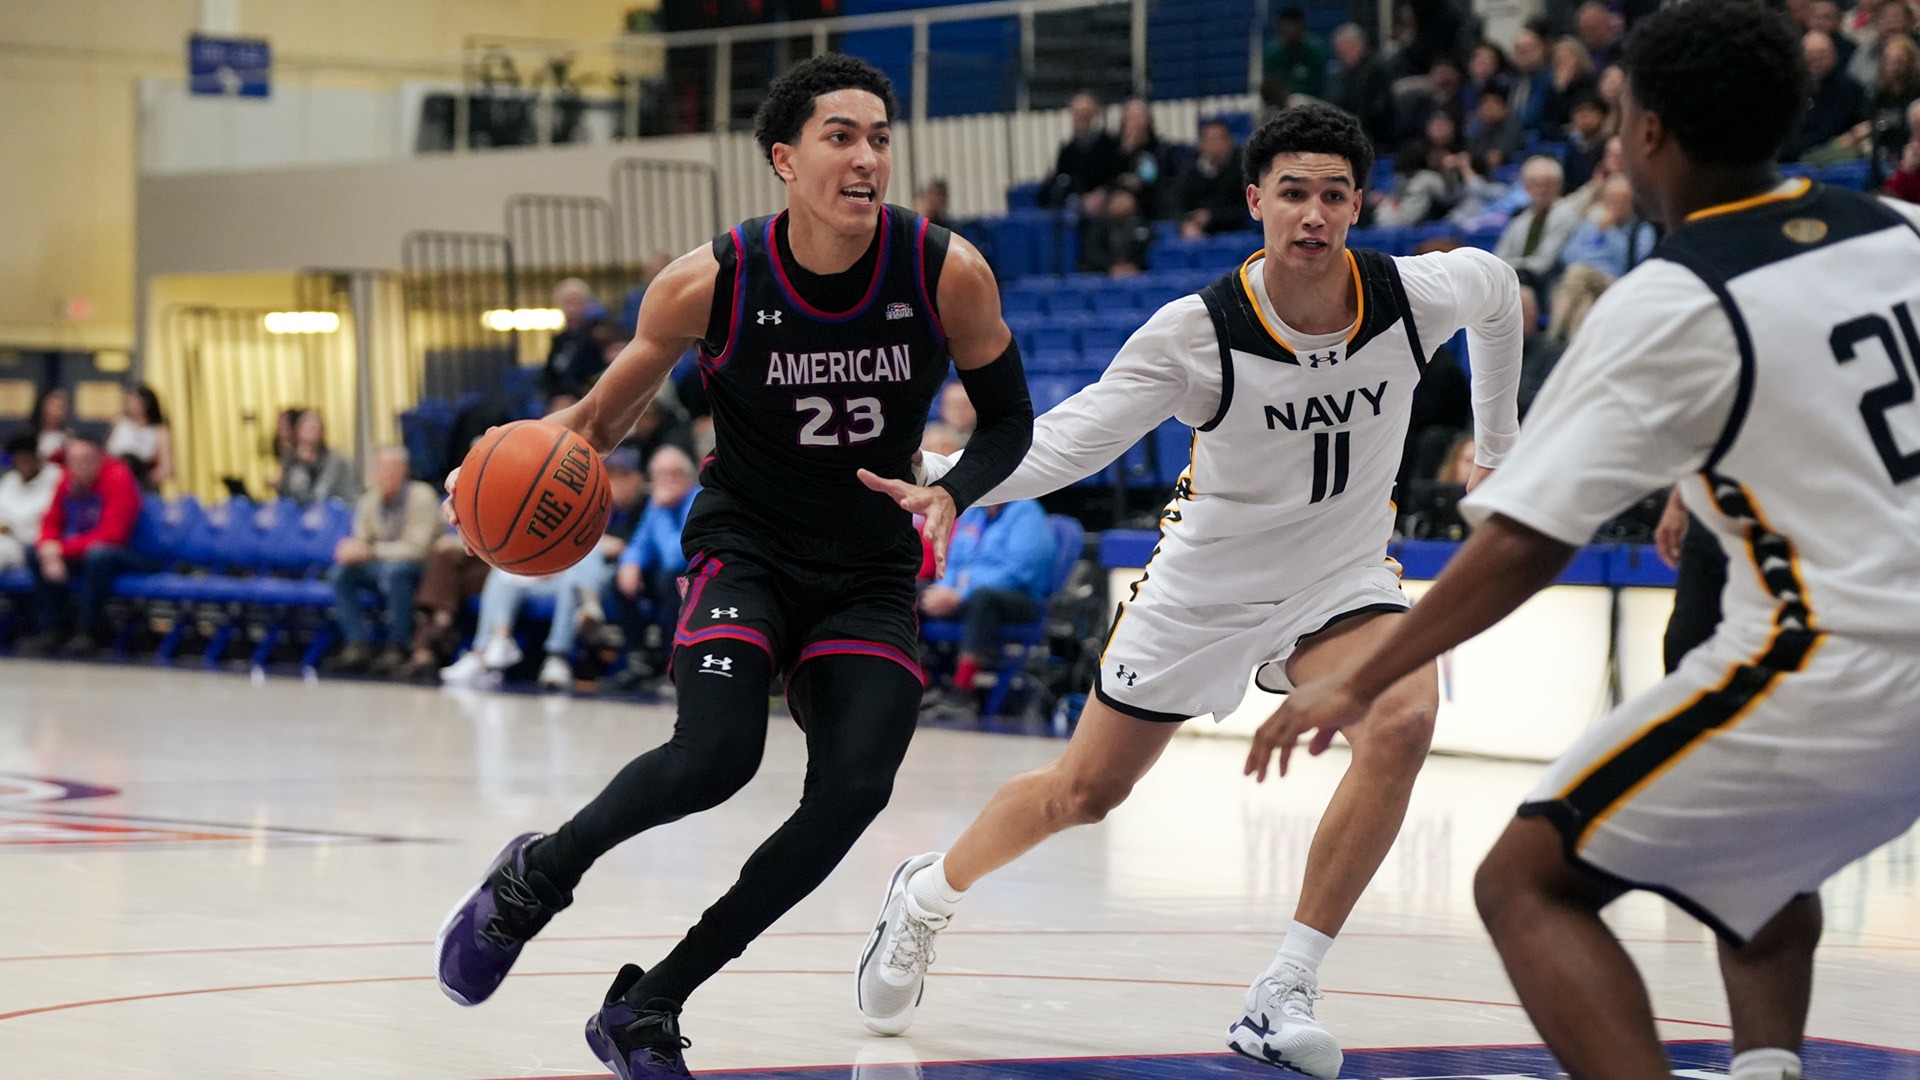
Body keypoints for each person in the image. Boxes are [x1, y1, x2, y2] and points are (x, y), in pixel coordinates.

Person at [1249, 6, 1920, 1079]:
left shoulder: (1668, 299)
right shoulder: (1898, 229)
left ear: (1647, 132)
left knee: (1523, 880)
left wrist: (1357, 679)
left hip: (1846, 665)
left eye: (1616, 116)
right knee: (1762, 840)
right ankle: (1766, 1065)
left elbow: (1525, 543)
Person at [854, 102, 1522, 1078]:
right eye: (1293, 193)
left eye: (1334, 195)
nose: (1313, 215)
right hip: (1202, 592)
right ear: (1255, 200)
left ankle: (1284, 989)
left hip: (1339, 580)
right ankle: (927, 894)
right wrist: (951, 475)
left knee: (1405, 717)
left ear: (1358, 203)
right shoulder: (1197, 332)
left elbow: (1500, 291)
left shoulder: (1414, 295)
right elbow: (1075, 440)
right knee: (1082, 794)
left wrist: (1496, 450)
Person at [432, 54, 1033, 1080]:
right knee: (715, 758)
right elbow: (593, 421)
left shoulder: (946, 270)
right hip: (748, 544)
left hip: (870, 565)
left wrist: (954, 488)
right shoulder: (713, 280)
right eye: (841, 136)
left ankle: (650, 1005)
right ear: (783, 160)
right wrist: (494, 471)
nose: (866, 157)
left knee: (853, 791)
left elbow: (1009, 417)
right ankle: (539, 877)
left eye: (880, 138)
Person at [440, 445, 649, 691]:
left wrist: (609, 547)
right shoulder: (593, 502)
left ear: (638, 479)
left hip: (609, 580)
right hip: (561, 576)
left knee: (581, 567)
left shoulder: (644, 507)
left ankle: (558, 656)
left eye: (624, 475)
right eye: (611, 475)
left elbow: (638, 547)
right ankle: (489, 646)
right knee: (504, 573)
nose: (616, 482)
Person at [916, 497, 1057, 715]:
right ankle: (920, 682)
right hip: (961, 595)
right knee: (910, 590)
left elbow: (1019, 571)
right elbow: (953, 560)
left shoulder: (1027, 513)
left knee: (983, 599)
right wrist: (943, 588)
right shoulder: (974, 512)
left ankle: (963, 692)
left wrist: (961, 594)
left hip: (1018, 598)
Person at [19, 438, 145, 656]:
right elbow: (50, 521)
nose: (79, 466)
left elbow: (112, 535)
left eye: (86, 460)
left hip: (133, 554)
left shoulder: (118, 478)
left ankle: (88, 632)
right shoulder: (67, 479)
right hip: (84, 551)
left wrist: (60, 550)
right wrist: (49, 549)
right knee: (34, 553)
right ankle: (54, 628)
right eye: (73, 461)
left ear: (99, 458)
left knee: (99, 557)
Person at [325, 446, 439, 675]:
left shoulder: (422, 496)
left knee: (396, 572)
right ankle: (357, 644)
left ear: (404, 470)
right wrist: (352, 548)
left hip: (423, 569)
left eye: (392, 468)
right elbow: (361, 540)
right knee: (340, 573)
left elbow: (417, 549)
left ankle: (397, 646)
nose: (386, 474)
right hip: (382, 564)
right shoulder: (369, 499)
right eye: (381, 468)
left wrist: (372, 551)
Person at [604, 445, 702, 692]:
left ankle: (676, 664)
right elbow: (639, 543)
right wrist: (630, 564)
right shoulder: (658, 503)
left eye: (673, 474)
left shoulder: (697, 500)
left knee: (669, 579)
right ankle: (638, 661)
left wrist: (662, 511)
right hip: (667, 580)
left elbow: (676, 556)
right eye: (660, 475)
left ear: (687, 476)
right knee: (620, 579)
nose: (666, 481)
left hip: (696, 580)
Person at [1494, 156, 1583, 289]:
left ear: (1559, 186)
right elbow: (1500, 256)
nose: (1542, 190)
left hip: (1550, 283)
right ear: (1526, 187)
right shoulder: (1520, 219)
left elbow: (1543, 263)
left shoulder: (1566, 215)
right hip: (1516, 278)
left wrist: (1511, 267)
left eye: (1547, 184)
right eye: (1536, 184)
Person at [1040, 91, 1125, 209]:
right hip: (1076, 201)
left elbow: (1115, 176)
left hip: (1105, 199)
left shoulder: (1108, 144)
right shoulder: (1067, 149)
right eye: (1079, 113)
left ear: (1094, 114)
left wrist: (1102, 193)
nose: (1082, 117)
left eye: (1086, 113)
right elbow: (1062, 176)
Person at [1175, 118, 1251, 237]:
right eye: (1209, 140)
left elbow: (1242, 210)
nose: (1214, 145)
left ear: (1229, 142)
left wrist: (1211, 217)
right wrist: (1188, 223)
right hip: (1196, 232)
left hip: (1232, 233)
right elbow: (1178, 205)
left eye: (1218, 139)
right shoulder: (1189, 172)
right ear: (1201, 144)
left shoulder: (1241, 171)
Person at [542, 278, 614, 399]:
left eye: (577, 302)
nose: (572, 308)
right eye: (568, 303)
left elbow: (601, 372)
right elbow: (550, 376)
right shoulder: (559, 340)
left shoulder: (598, 337)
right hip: (561, 398)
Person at [0, 435, 60, 574]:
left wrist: (13, 528)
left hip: (31, 546)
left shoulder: (56, 478)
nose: (23, 465)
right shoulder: (10, 480)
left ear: (37, 457)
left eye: (27, 460)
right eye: (19, 461)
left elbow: (49, 522)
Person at [277, 410, 358, 506]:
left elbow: (321, 493)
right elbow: (285, 494)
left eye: (315, 427)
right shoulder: (290, 459)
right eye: (307, 427)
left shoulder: (335, 460)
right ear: (298, 430)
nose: (311, 431)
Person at [105, 384, 174, 491]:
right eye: (126, 401)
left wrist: (143, 482)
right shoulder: (118, 423)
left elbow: (167, 468)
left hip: (143, 486)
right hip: (115, 481)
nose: (127, 405)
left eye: (132, 401)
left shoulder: (160, 432)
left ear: (145, 403)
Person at [28, 387, 73, 463]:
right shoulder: (27, 435)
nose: (58, 413)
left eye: (62, 407)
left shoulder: (70, 437)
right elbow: (6, 460)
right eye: (54, 406)